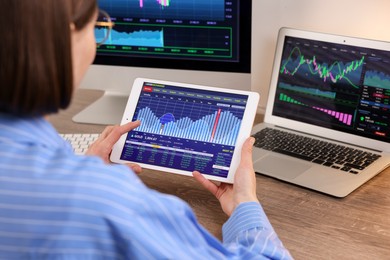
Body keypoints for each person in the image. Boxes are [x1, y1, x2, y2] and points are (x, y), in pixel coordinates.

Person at [0, 0, 292, 259]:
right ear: (60, 41)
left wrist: (84, 169)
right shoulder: (100, 200)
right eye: (96, 26)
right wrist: (244, 203)